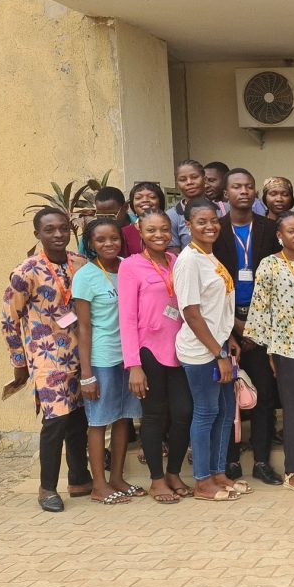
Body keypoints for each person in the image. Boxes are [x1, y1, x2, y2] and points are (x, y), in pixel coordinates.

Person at [2, 208, 92, 512]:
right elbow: (9, 319)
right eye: (50, 230)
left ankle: (80, 479)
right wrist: (19, 363)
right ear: (37, 234)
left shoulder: (80, 264)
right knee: (56, 420)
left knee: (79, 417)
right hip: (47, 355)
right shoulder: (26, 271)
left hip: (81, 353)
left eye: (63, 229)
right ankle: (47, 488)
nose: (58, 235)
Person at [212, 168, 283, 485]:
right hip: (225, 323)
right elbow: (210, 288)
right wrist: (234, 328)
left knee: (266, 394)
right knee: (227, 394)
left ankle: (262, 461)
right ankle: (229, 459)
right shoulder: (216, 230)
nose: (244, 191)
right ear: (225, 194)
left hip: (263, 323)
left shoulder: (270, 229)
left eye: (249, 186)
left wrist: (255, 325)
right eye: (236, 187)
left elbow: (280, 282)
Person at [244, 213, 294, 492]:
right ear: (280, 235)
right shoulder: (270, 265)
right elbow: (260, 306)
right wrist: (267, 349)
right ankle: (292, 472)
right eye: (291, 231)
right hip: (285, 346)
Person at [118, 208, 193, 504]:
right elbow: (126, 318)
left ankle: (174, 472)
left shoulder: (177, 261)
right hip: (149, 350)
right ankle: (157, 480)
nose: (159, 235)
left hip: (181, 350)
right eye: (152, 230)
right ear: (140, 230)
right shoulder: (131, 266)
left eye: (164, 229)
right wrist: (133, 365)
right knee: (153, 416)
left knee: (184, 412)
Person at [174, 198, 246, 502]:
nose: (209, 226)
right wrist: (217, 353)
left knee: (224, 412)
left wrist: (228, 338)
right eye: (201, 222)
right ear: (188, 226)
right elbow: (190, 312)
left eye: (213, 221)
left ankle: (218, 473)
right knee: (206, 412)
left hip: (218, 346)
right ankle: (202, 481)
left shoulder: (209, 256)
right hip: (201, 352)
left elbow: (216, 306)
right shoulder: (189, 260)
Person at [74, 218, 143, 504]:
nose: (108, 244)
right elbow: (84, 327)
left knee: (125, 419)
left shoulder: (128, 267)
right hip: (102, 358)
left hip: (128, 357)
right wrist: (87, 373)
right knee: (100, 421)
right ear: (90, 244)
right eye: (100, 240)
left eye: (113, 238)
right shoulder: (85, 276)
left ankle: (116, 477)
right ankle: (99, 485)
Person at [167, 159, 208, 252]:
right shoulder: (172, 216)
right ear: (177, 184)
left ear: (205, 180)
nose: (189, 182)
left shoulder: (221, 208)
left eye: (194, 177)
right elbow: (174, 254)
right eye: (183, 179)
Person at [124, 182, 167, 256]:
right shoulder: (125, 232)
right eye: (138, 198)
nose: (145, 200)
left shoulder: (170, 227)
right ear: (132, 204)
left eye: (152, 197)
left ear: (160, 202)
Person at [92, 187, 132, 255]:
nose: (106, 220)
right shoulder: (92, 233)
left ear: (125, 207)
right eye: (101, 216)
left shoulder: (141, 227)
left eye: (111, 215)